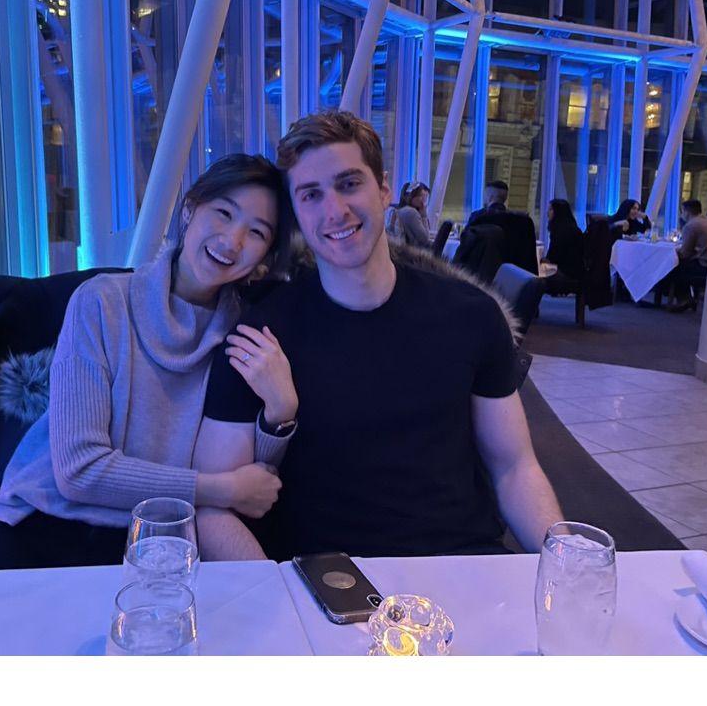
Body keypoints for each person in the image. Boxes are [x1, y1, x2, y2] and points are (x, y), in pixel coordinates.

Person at [195, 111, 563, 562]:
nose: (335, 210)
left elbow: (514, 468)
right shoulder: (260, 337)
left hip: (461, 563)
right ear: (296, 212)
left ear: (384, 189)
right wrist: (271, 592)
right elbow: (215, 510)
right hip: (326, 577)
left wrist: (565, 559)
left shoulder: (470, 316)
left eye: (349, 184)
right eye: (311, 195)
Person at [0, 154, 297, 571]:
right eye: (223, 213)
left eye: (256, 232)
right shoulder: (102, 301)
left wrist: (280, 413)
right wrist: (220, 489)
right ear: (189, 209)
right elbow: (78, 471)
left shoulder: (241, 334)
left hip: (146, 543)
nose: (232, 240)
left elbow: (253, 486)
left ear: (265, 254)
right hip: (36, 523)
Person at [665, 199, 707, 312]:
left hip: (702, 265)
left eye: (682, 212)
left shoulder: (691, 225)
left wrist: (674, 252)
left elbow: (685, 253)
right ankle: (687, 298)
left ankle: (683, 298)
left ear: (686, 212)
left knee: (673, 266)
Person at [542, 199, 584, 295]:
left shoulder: (560, 232)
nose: (547, 213)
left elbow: (553, 258)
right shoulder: (573, 228)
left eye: (550, 210)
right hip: (575, 273)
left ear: (558, 212)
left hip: (566, 274)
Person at [386, 180, 432, 249]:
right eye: (421, 196)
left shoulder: (397, 210)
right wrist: (424, 216)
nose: (424, 201)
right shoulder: (411, 212)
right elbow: (425, 239)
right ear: (409, 196)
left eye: (425, 197)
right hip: (411, 253)